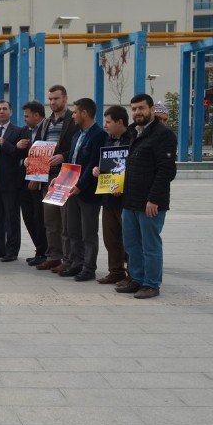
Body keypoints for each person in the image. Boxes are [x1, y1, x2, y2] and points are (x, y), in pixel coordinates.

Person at [118, 93, 177, 299]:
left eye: (141, 108)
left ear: (151, 109)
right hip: (130, 201)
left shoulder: (163, 134)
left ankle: (151, 284)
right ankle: (137, 279)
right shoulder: (134, 132)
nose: (137, 112)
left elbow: (166, 170)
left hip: (150, 203)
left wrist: (154, 199)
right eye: (134, 109)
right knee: (132, 244)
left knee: (150, 245)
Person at [59, 97, 106, 281]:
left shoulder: (98, 135)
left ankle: (89, 267)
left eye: (76, 112)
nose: (73, 116)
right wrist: (62, 180)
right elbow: (72, 162)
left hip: (87, 193)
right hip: (71, 190)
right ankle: (76, 263)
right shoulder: (77, 135)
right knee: (73, 230)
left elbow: (93, 164)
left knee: (88, 232)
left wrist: (80, 185)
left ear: (84, 113)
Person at [36, 85, 76, 273]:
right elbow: (38, 145)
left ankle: (69, 259)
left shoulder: (73, 120)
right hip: (48, 177)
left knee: (66, 222)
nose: (52, 102)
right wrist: (31, 158)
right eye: (50, 99)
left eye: (56, 99)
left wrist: (64, 156)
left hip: (66, 176)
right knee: (50, 221)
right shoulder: (45, 123)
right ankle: (53, 256)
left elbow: (78, 146)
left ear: (65, 99)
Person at [92, 105, 134, 285]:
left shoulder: (132, 140)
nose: (106, 125)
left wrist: (123, 185)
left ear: (120, 122)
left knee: (129, 240)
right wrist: (97, 170)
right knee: (111, 238)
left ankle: (133, 273)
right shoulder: (107, 141)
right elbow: (105, 164)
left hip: (126, 199)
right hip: (108, 198)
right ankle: (115, 271)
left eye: (108, 122)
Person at [0, 100, 28, 262]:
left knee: (11, 217)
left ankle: (12, 250)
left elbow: (21, 155)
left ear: (11, 112)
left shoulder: (19, 131)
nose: (1, 112)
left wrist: (6, 144)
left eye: (4, 109)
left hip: (10, 181)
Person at [16, 101, 48, 266]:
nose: (25, 119)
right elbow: (20, 154)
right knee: (28, 216)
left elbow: (47, 152)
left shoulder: (47, 129)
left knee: (39, 217)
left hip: (40, 180)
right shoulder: (25, 131)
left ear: (37, 115)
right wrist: (20, 150)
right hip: (25, 180)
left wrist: (36, 177)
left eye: (27, 116)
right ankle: (39, 249)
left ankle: (44, 251)